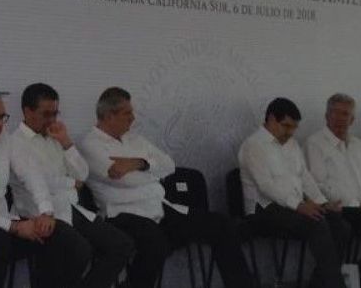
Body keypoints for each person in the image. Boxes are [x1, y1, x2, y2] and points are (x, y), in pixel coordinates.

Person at [79, 86, 254, 288]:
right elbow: (123, 179)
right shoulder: (90, 144)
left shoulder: (134, 139)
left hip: (159, 208)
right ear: (109, 116)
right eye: (127, 113)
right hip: (122, 214)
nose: (133, 118)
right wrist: (151, 173)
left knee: (220, 224)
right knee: (156, 242)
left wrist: (139, 163)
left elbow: (169, 165)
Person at [8, 83, 134, 288]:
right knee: (79, 251)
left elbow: (82, 174)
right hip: (36, 213)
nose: (52, 119)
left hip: (69, 207)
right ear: (27, 112)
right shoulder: (16, 143)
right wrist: (70, 183)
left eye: (55, 113)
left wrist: (66, 142)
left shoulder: (54, 136)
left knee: (121, 245)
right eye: (46, 114)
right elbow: (37, 180)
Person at [0, 88, 90, 288]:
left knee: (66, 242)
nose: (0, 124)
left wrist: (46, 212)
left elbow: (31, 174)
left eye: (3, 117)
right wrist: (14, 227)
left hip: (5, 223)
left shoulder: (4, 139)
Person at [239, 97, 350, 288]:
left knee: (341, 226)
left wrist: (322, 202)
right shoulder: (253, 145)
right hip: (263, 210)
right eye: (286, 126)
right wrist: (298, 205)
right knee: (317, 224)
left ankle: (319, 284)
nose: (290, 132)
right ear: (271, 119)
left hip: (292, 206)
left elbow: (304, 176)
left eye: (294, 128)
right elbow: (265, 186)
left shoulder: (292, 144)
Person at [306, 93, 361, 268]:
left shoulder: (359, 145)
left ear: (352, 120)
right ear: (326, 116)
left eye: (345, 114)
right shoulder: (315, 143)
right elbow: (318, 184)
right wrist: (358, 204)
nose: (339, 118)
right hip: (337, 208)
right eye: (334, 112)